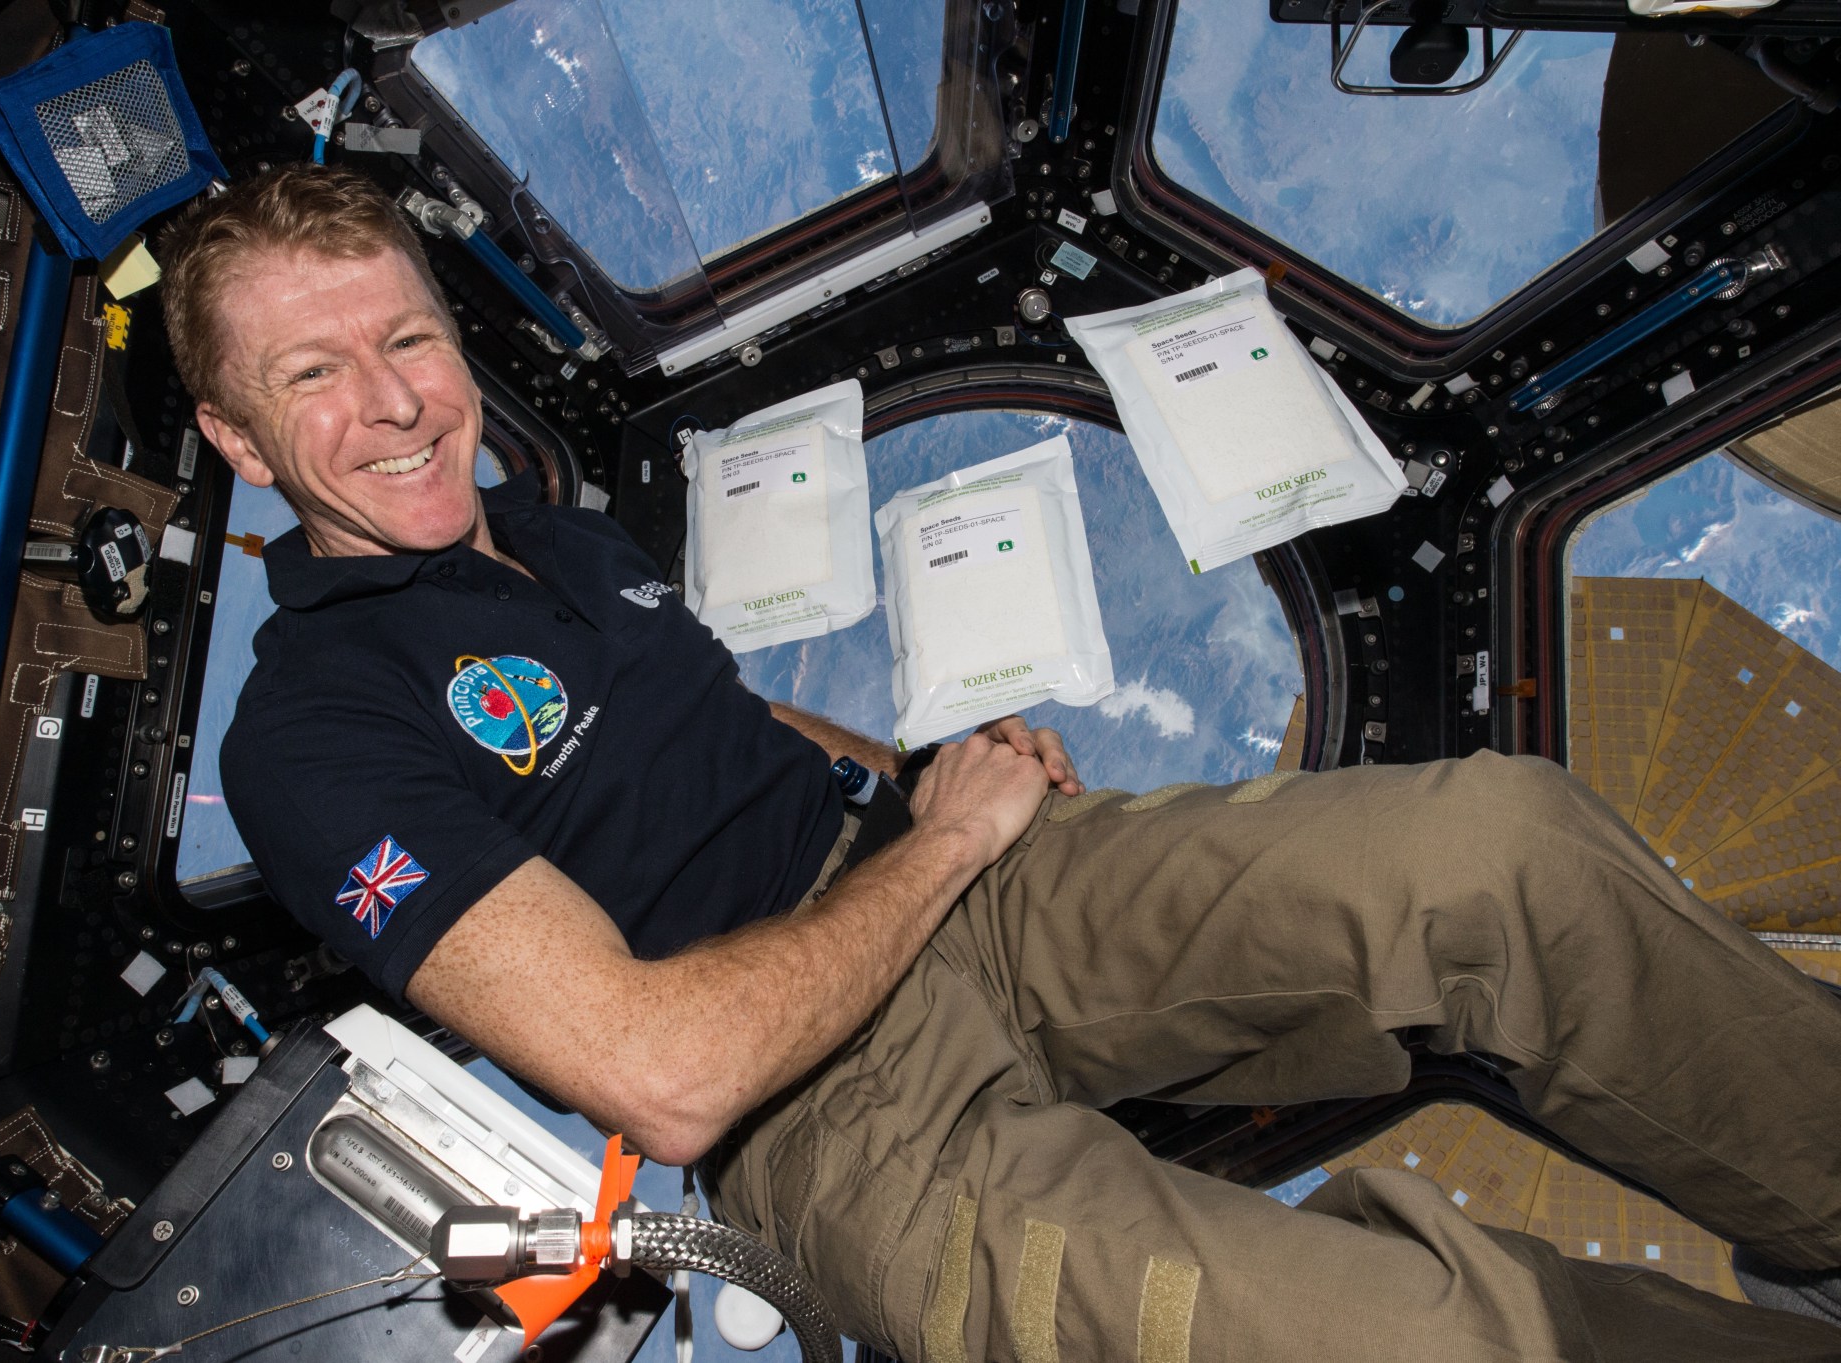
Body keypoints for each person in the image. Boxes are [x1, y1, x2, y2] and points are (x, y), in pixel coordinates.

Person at [156, 165, 1841, 1362]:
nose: (393, 402)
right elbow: (663, 1076)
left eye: (411, 342)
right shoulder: (310, 737)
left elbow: (728, 732)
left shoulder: (548, 539)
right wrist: (943, 848)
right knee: (1426, 1345)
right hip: (828, 1126)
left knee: (1500, 851)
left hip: (952, 881)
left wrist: (935, 772)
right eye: (315, 373)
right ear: (239, 442)